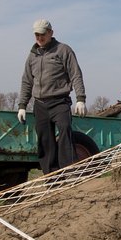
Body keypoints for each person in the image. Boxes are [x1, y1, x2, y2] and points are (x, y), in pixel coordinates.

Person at [17, 19, 86, 174]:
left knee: (64, 130)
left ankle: (68, 172)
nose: (39, 38)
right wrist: (22, 105)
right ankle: (51, 176)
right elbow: (27, 81)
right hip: (40, 104)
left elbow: (76, 74)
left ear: (51, 33)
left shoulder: (63, 50)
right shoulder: (32, 56)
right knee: (45, 140)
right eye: (36, 34)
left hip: (59, 101)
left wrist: (80, 98)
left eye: (42, 34)